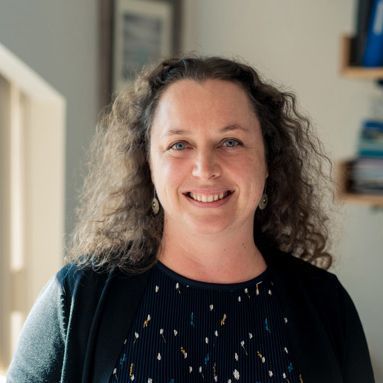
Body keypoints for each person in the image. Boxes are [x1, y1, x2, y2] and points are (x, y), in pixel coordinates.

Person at [7, 56, 375, 383]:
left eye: (230, 142)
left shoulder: (327, 305)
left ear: (269, 161)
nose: (205, 169)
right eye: (179, 145)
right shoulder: (77, 297)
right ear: (147, 166)